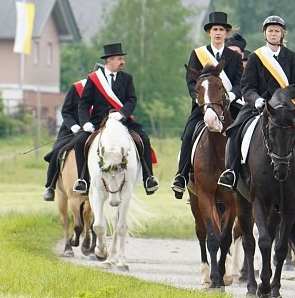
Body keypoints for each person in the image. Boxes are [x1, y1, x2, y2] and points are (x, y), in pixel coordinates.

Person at [217, 15, 295, 196]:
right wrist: (256, 99)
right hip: (259, 106)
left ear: (282, 34)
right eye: (270, 31)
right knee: (235, 131)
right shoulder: (256, 57)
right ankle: (232, 172)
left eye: (277, 31)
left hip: (286, 107)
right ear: (265, 34)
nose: (273, 34)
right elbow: (247, 86)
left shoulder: (291, 57)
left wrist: (285, 95)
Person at [171, 12, 245, 198]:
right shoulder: (197, 54)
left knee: (244, 131)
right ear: (209, 33)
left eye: (221, 30)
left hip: (229, 106)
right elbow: (191, 80)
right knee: (188, 133)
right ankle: (181, 175)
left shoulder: (234, 57)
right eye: (215, 30)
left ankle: (242, 173)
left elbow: (239, 81)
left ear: (226, 33)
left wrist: (234, 95)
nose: (218, 33)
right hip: (204, 105)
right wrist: (198, 100)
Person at [71, 43, 159, 195]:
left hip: (123, 121)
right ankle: (83, 180)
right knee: (79, 142)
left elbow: (132, 100)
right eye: (120, 59)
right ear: (110, 61)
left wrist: (122, 113)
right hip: (99, 122)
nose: (123, 62)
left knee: (143, 139)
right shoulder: (94, 79)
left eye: (122, 59)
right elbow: (84, 103)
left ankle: (148, 178)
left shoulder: (127, 78)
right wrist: (85, 122)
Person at [42, 76, 87, 201]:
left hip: (92, 130)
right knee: (58, 151)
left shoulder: (104, 93)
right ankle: (50, 186)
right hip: (72, 130)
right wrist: (74, 126)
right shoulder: (77, 88)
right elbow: (65, 111)